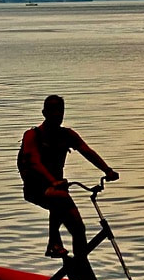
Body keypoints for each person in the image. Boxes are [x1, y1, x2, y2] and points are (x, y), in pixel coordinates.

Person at [18, 95, 119, 260]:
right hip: (36, 188)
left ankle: (81, 268)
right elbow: (34, 162)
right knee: (60, 197)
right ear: (44, 113)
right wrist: (52, 181)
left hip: (58, 187)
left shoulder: (67, 135)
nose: (58, 115)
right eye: (53, 111)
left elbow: (87, 151)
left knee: (79, 228)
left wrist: (107, 170)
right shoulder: (32, 135)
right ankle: (54, 243)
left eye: (60, 111)